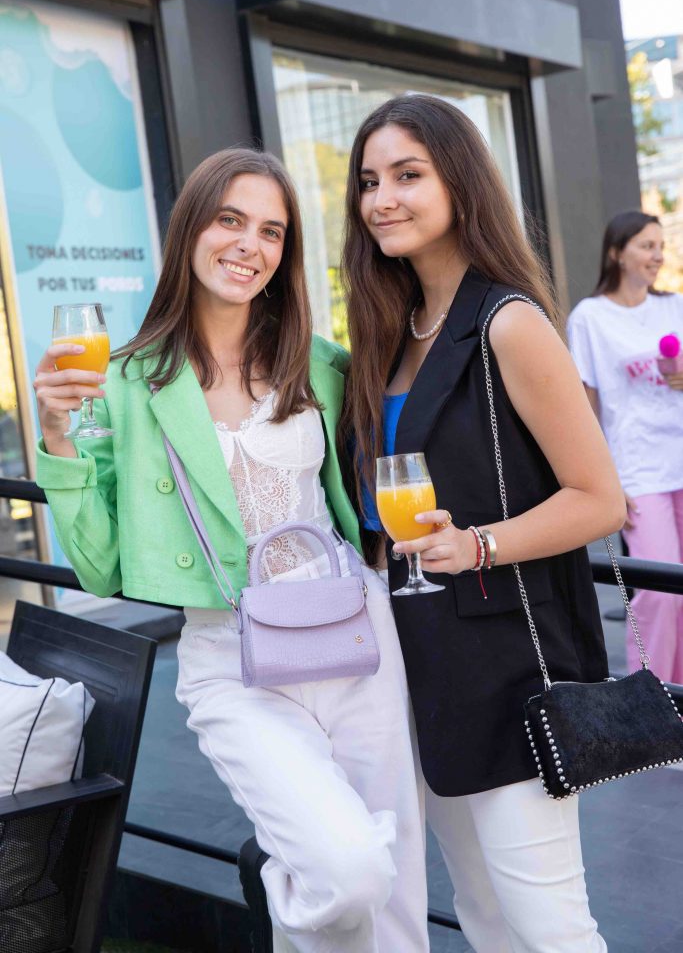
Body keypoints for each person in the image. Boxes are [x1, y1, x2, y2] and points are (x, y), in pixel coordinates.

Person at [32, 149, 429, 953]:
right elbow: (100, 568)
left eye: (272, 231)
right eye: (230, 220)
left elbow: (374, 484)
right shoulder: (123, 382)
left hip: (354, 634)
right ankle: (290, 900)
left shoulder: (320, 363)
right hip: (231, 655)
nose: (250, 244)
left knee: (395, 898)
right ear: (191, 231)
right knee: (348, 869)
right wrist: (55, 437)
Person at [340, 94, 625, 952]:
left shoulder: (510, 322)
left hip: (510, 667)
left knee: (546, 924)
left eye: (407, 175)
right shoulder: (389, 334)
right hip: (416, 666)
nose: (382, 197)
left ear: (459, 184)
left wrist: (476, 545)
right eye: (367, 182)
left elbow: (598, 499)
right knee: (485, 917)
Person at [567, 210, 683, 682]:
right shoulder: (590, 319)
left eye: (660, 246)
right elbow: (583, 411)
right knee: (659, 592)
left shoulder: (674, 306)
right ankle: (650, 699)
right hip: (638, 472)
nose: (657, 255)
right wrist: (606, 480)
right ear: (617, 252)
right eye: (646, 246)